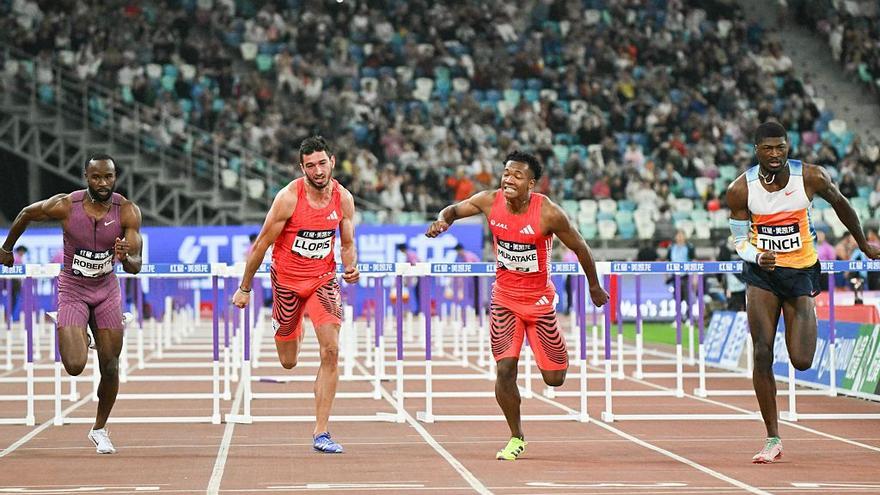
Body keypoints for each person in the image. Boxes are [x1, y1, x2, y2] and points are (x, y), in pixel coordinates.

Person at [426, 150, 609, 461]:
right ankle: (516, 436)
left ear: (531, 184)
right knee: (505, 369)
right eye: (506, 174)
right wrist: (442, 220)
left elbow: (581, 247)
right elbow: (453, 211)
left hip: (539, 303)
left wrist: (593, 285)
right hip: (504, 300)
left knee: (555, 379)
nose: (509, 179)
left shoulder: (549, 213)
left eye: (517, 176)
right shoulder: (488, 200)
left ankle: (551, 351)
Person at [726, 121, 880, 464]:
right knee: (762, 352)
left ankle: (802, 319)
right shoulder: (740, 189)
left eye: (780, 147)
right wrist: (756, 255)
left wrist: (864, 245)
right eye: (768, 148)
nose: (775, 154)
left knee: (802, 360)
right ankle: (772, 437)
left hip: (801, 273)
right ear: (756, 151)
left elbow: (841, 205)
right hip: (762, 275)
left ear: (788, 147)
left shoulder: (811, 177)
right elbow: (739, 241)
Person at [0, 154, 143, 454]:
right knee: (75, 366)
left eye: (108, 177)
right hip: (73, 288)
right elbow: (26, 212)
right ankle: (75, 328)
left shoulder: (127, 211)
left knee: (111, 365)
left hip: (106, 290)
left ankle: (100, 429)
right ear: (86, 177)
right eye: (96, 177)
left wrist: (125, 257)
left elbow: (136, 266)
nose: (103, 183)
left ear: (115, 177)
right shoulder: (66, 205)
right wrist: (6, 248)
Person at [232, 136, 359, 454]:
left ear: (332, 160)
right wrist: (244, 288)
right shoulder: (288, 198)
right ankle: (293, 324)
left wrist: (351, 266)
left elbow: (346, 242)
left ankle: (322, 432)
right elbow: (261, 243)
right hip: (287, 283)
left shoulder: (343, 198)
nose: (318, 171)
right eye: (310, 166)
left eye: (322, 163)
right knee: (288, 361)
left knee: (331, 350)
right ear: (302, 168)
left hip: (323, 281)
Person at [396, 243, 421, 313]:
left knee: (418, 293)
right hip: (417, 275)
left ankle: (420, 310)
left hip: (419, 275)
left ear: (402, 249)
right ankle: (418, 310)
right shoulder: (409, 254)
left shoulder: (410, 254)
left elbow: (415, 264)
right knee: (417, 294)